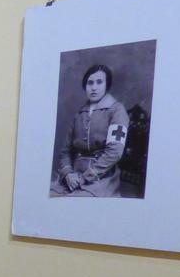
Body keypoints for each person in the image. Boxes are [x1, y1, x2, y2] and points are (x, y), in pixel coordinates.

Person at [51, 64, 129, 197]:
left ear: (106, 85)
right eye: (90, 83)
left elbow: (115, 152)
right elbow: (65, 151)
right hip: (73, 176)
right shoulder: (79, 114)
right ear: (85, 86)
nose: (94, 87)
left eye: (99, 82)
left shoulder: (117, 110)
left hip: (101, 178)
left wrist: (85, 177)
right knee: (51, 194)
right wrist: (68, 174)